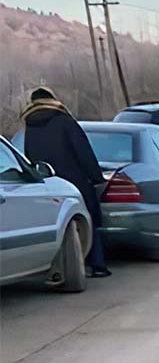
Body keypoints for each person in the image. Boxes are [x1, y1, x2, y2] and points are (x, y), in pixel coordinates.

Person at [20, 87, 111, 277]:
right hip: (75, 181)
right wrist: (96, 177)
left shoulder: (30, 126)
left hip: (47, 183)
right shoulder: (65, 121)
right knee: (90, 220)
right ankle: (97, 265)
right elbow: (83, 152)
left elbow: (29, 156)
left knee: (56, 225)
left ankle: (58, 267)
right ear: (52, 99)